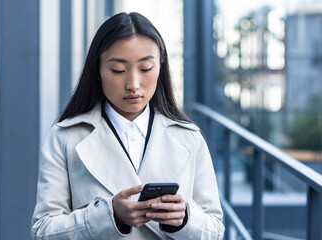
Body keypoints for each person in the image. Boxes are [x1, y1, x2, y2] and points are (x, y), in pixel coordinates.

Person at [31, 12, 224, 240]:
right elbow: (42, 232)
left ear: (160, 68)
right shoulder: (65, 137)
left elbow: (215, 230)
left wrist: (184, 220)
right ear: (98, 71)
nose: (133, 84)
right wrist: (109, 216)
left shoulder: (189, 137)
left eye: (145, 69)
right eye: (118, 70)